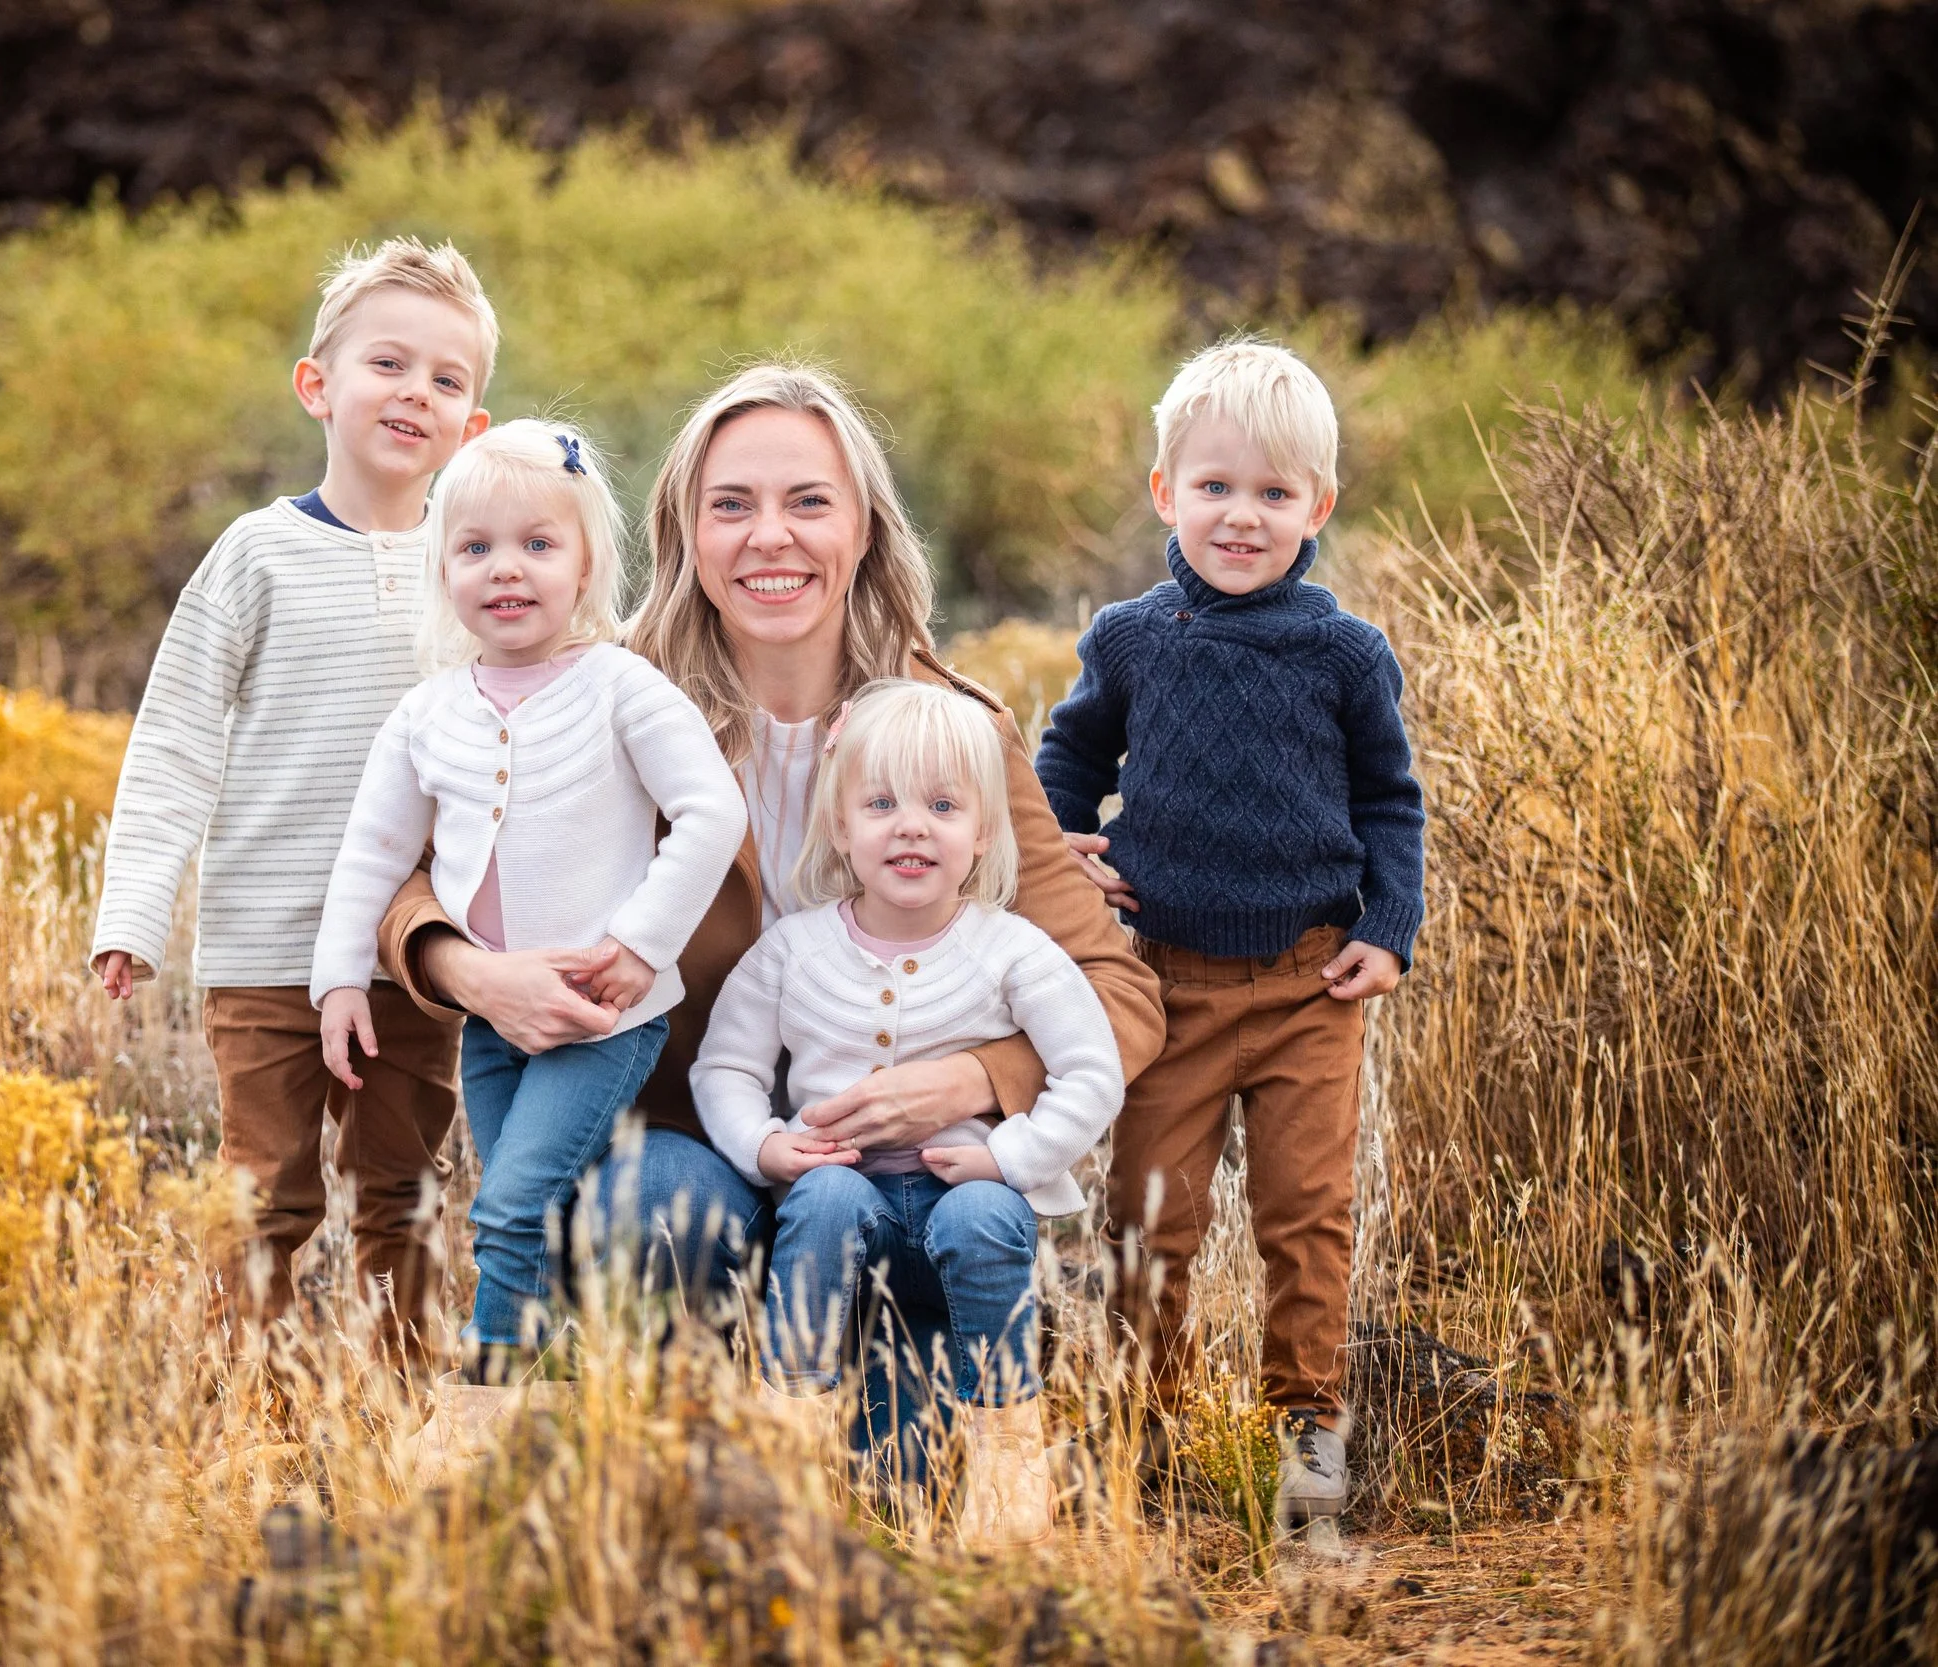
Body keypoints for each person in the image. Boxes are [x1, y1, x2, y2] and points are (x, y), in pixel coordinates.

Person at [369, 362, 1167, 1458]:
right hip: (693, 1159)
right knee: (646, 1206)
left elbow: (1115, 988)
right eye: (730, 505)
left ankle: (892, 1398)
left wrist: (980, 1079)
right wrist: (468, 970)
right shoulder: (598, 691)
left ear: (866, 530)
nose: (769, 538)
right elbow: (410, 878)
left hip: (896, 1190)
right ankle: (683, 1415)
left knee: (896, 1494)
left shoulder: (950, 734)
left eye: (808, 502)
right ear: (683, 533)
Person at [1034, 337, 1426, 1529]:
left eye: (1272, 493)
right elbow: (1068, 754)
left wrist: (1390, 921)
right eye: (1214, 487)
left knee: (1305, 1216)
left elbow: (1387, 799)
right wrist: (1064, 854)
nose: (1241, 517)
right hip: (1166, 985)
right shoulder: (1134, 637)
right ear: (1165, 493)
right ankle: (1141, 1437)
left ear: (1318, 506)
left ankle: (1307, 1438)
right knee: (1153, 1212)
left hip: (1313, 982)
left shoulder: (1346, 653)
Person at [311, 420, 744, 1483]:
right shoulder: (428, 712)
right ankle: (558, 1426)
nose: (505, 568)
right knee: (523, 1205)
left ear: (586, 563)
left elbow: (709, 812)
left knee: (506, 1204)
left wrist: (638, 943)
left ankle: (478, 1423)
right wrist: (336, 978)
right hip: (493, 1023)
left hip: (602, 1015)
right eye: (474, 548)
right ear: (442, 566)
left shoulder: (620, 686)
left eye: (537, 545)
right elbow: (373, 847)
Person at [88, 239, 496, 1364]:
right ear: (318, 385)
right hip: (264, 944)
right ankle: (242, 1418)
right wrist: (132, 909)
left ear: (472, 425)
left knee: (403, 1195)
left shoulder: (476, 569)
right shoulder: (254, 555)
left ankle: (397, 1410)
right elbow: (173, 741)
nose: (416, 391)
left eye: (447, 380)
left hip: (412, 949)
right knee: (264, 1196)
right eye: (389, 363)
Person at [692, 677, 1124, 1548]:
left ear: (983, 834)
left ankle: (1007, 1460)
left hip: (960, 1225)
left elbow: (1092, 1069)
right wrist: (769, 1146)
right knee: (824, 1198)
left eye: (941, 804)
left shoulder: (1010, 949)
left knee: (983, 1213)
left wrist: (1013, 1156)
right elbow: (726, 1066)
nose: (911, 825)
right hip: (843, 1223)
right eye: (881, 803)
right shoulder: (794, 950)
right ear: (840, 827)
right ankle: (789, 1439)